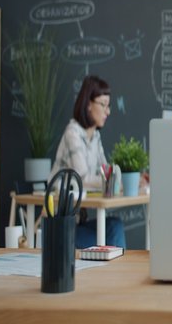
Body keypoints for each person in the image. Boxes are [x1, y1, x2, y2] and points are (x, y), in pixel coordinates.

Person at [48, 75, 126, 249]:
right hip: (62, 227)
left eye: (109, 105)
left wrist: (122, 180)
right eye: (103, 104)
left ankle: (113, 275)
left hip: (79, 224)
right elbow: (82, 179)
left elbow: (106, 173)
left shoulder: (95, 136)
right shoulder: (72, 133)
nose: (108, 111)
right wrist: (117, 182)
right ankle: (112, 275)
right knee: (110, 238)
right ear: (88, 104)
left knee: (115, 226)